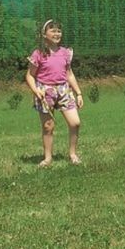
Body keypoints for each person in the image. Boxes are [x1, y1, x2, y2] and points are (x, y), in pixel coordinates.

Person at [25, 19, 84, 167]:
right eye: (53, 30)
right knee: (48, 126)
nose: (57, 33)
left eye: (59, 31)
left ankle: (72, 154)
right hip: (45, 91)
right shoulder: (38, 53)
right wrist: (36, 90)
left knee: (75, 123)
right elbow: (30, 75)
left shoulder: (65, 53)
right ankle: (48, 158)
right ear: (44, 34)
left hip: (64, 90)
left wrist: (78, 93)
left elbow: (69, 74)